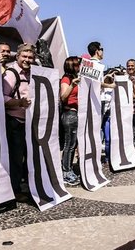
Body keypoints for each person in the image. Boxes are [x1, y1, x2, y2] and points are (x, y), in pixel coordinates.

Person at [3, 43, 35, 202]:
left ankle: (25, 185)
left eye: (30, 57)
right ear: (18, 56)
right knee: (16, 158)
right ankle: (13, 191)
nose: (27, 60)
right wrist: (19, 103)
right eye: (24, 56)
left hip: (27, 122)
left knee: (26, 156)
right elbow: (1, 97)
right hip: (14, 121)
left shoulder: (33, 73)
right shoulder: (11, 73)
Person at [60, 56, 81, 185]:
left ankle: (68, 170)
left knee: (73, 145)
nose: (80, 67)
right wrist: (72, 85)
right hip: (70, 114)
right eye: (78, 65)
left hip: (76, 114)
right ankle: (66, 172)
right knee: (70, 145)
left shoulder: (76, 78)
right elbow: (63, 97)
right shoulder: (67, 79)